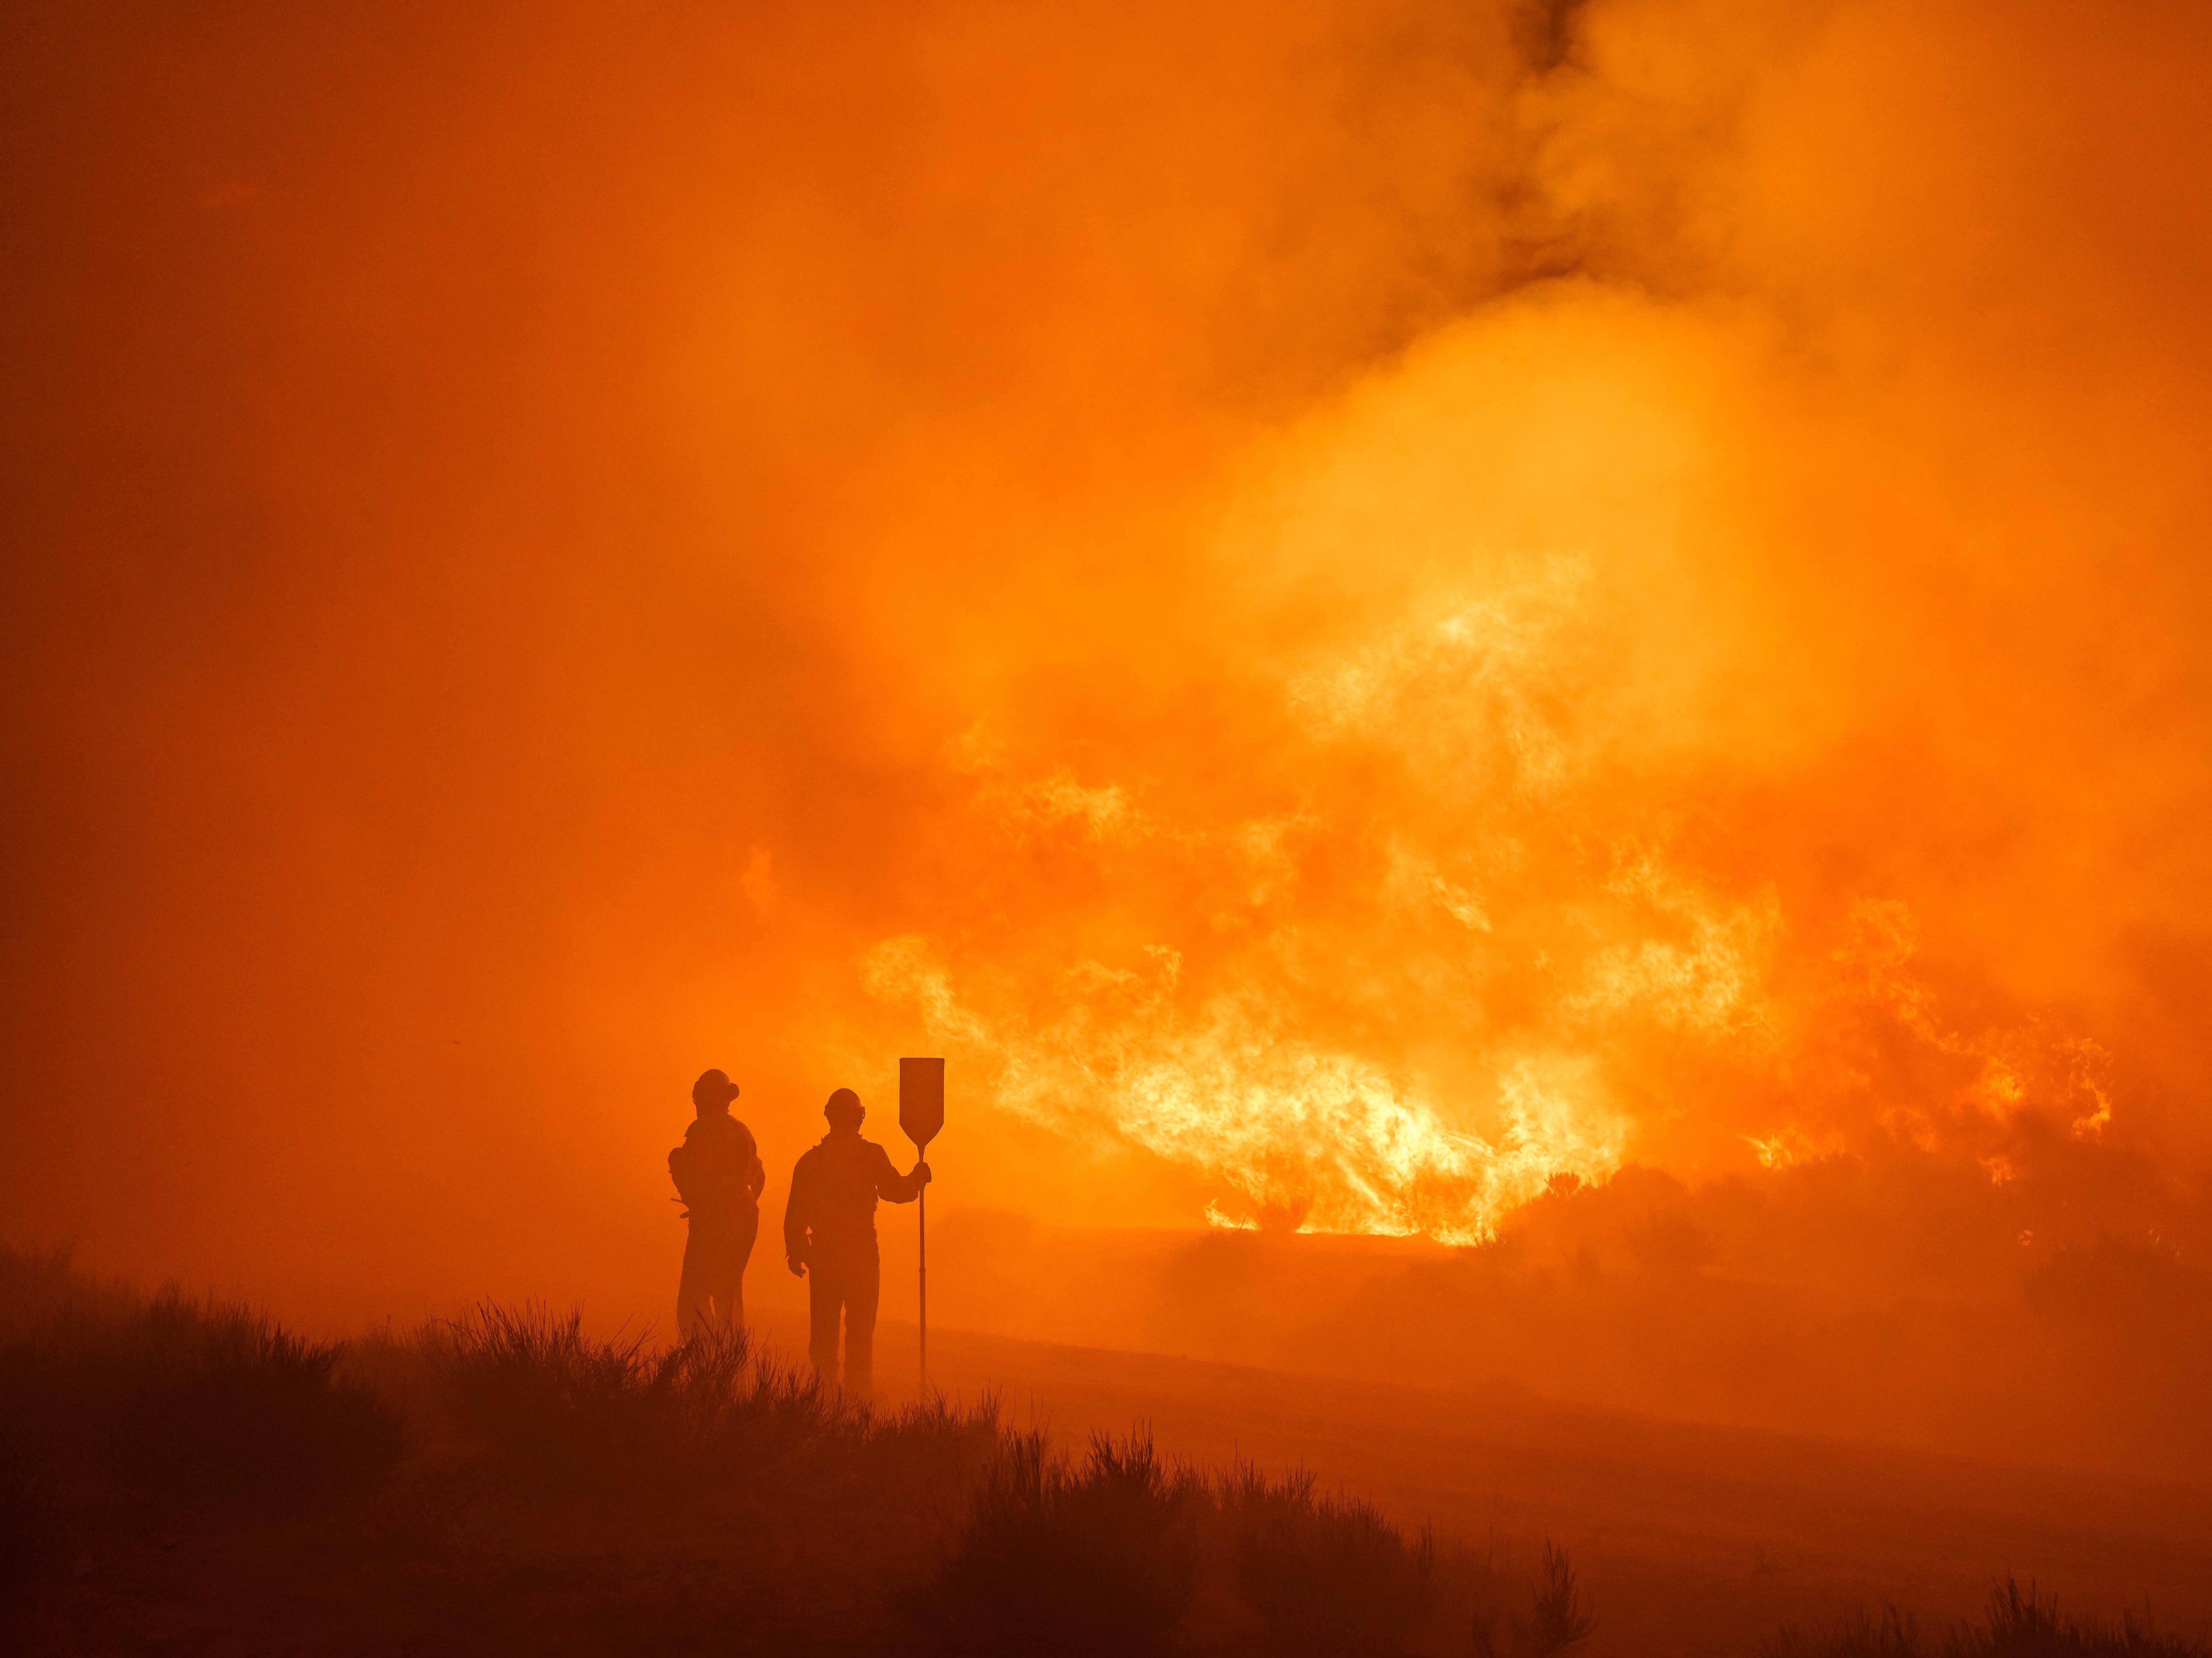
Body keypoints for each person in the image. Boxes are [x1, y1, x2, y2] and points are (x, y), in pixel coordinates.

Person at [783, 1086, 929, 1395]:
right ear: (860, 1118)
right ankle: (856, 1403)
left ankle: (822, 1401)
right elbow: (896, 1191)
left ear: (829, 1117)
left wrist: (796, 1251)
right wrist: (917, 1178)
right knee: (860, 1334)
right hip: (861, 1255)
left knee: (823, 1336)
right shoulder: (870, 1155)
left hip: (823, 1255)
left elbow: (796, 1212)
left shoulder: (811, 1161)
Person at [670, 1068, 765, 1337]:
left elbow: (695, 1184)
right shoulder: (742, 1131)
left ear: (702, 1098)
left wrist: (677, 1165)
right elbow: (759, 1176)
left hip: (716, 1221)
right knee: (729, 1296)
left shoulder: (704, 1131)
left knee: (692, 1302)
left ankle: (707, 1367)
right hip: (745, 1218)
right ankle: (731, 1367)